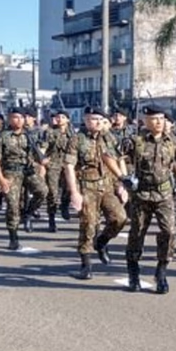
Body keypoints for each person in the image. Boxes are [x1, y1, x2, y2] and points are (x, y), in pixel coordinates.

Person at [115, 105, 176, 294]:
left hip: (164, 194)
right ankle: (133, 273)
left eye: (162, 119)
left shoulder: (172, 141)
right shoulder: (135, 141)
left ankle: (161, 272)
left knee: (168, 232)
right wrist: (124, 177)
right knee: (137, 233)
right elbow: (115, 156)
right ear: (145, 120)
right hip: (141, 195)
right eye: (155, 119)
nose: (159, 123)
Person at [63, 106, 128, 280]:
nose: (97, 123)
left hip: (107, 186)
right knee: (88, 224)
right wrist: (74, 192)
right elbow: (69, 166)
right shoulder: (77, 139)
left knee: (120, 218)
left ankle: (102, 242)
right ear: (85, 120)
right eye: (93, 119)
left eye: (100, 120)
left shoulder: (109, 138)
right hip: (86, 186)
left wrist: (123, 184)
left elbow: (118, 160)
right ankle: (86, 265)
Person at [0, 107, 48, 250]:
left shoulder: (30, 135)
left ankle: (28, 214)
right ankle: (13, 236)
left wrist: (42, 162)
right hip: (10, 172)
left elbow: (40, 154)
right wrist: (1, 179)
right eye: (15, 117)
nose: (19, 120)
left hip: (28, 170)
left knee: (43, 191)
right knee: (13, 204)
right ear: (10, 119)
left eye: (22, 117)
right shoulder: (3, 136)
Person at [41, 110, 72, 231]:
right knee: (52, 193)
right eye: (58, 117)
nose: (60, 119)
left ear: (67, 120)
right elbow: (43, 147)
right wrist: (42, 159)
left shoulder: (73, 134)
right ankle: (51, 219)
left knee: (69, 189)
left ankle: (65, 204)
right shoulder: (50, 132)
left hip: (68, 165)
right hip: (53, 164)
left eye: (63, 117)